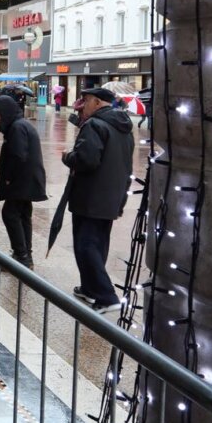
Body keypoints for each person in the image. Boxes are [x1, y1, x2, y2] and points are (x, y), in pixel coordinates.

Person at [62, 88, 134, 314]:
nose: (82, 105)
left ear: (96, 102)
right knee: (98, 243)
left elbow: (86, 160)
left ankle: (106, 296)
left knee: (86, 245)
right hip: (112, 195)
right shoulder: (122, 127)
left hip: (91, 196)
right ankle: (89, 289)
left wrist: (68, 157)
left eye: (85, 101)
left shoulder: (95, 125)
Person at [0, 94, 47, 268]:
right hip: (28, 179)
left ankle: (22, 255)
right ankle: (25, 255)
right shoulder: (21, 125)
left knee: (10, 214)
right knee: (22, 215)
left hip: (21, 180)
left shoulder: (16, 127)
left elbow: (17, 155)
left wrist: (8, 178)